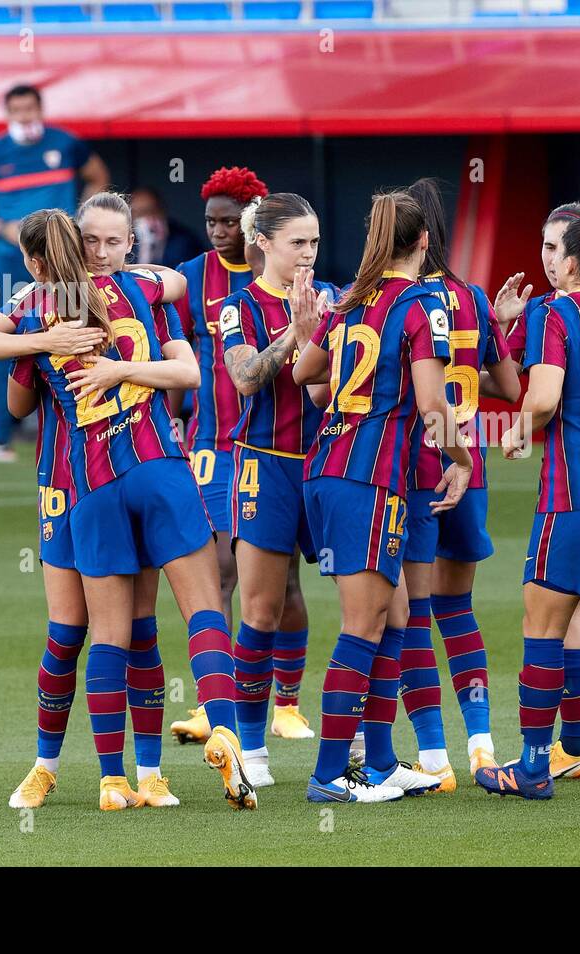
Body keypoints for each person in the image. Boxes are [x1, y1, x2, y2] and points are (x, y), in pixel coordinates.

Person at [0, 206, 252, 812]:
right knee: (132, 621)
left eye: (113, 241)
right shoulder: (130, 290)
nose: (102, 250)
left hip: (85, 485)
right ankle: (199, 736)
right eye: (93, 240)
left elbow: (5, 392)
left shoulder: (41, 308)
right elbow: (183, 319)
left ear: (34, 260)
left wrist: (39, 351)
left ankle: (119, 777)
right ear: (80, 243)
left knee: (97, 631)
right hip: (120, 475)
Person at [293, 190, 473, 804]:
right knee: (364, 623)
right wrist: (463, 462)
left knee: (394, 616)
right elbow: (431, 405)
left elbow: (302, 373)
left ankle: (381, 762)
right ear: (424, 242)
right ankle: (328, 776)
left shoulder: (351, 301)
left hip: (328, 468)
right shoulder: (426, 302)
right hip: (369, 479)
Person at [477, 213, 580, 801]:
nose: (548, 259)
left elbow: (543, 396)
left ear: (574, 261)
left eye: (554, 248)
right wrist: (502, 325)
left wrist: (521, 427)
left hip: (573, 497)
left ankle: (531, 767)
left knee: (542, 627)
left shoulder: (555, 311)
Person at [395, 178, 521, 790]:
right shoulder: (471, 297)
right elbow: (509, 387)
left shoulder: (388, 300)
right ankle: (482, 745)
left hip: (410, 467)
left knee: (412, 612)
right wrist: (492, 334)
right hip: (467, 461)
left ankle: (433, 759)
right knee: (456, 607)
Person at [218, 192, 342, 784]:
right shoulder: (237, 306)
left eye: (315, 242)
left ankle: (357, 739)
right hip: (263, 466)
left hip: (329, 464)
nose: (308, 253)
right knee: (261, 608)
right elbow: (244, 378)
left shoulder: (338, 300)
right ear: (263, 243)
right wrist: (298, 335)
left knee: (362, 609)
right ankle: (251, 747)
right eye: (298, 242)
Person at [0, 83, 109, 463]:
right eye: (17, 109)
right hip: (13, 259)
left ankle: (89, 424)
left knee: (80, 331)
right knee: (2, 330)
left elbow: (98, 176)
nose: (25, 115)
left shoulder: (65, 142)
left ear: (40, 107)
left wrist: (75, 218)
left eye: (30, 107)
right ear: (7, 112)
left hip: (64, 257)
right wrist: (3, 228)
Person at [164, 167, 269, 711]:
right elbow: (173, 354)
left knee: (278, 583)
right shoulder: (190, 277)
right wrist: (168, 431)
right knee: (221, 569)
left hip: (272, 444)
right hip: (211, 445)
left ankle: (287, 701)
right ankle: (217, 702)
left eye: (230, 221)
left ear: (252, 224)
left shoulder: (274, 276)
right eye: (212, 221)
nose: (220, 231)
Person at [131, 186, 204, 268]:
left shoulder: (185, 241)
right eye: (140, 213)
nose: (148, 218)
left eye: (152, 211)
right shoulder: (127, 244)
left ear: (162, 210)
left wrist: (158, 247)